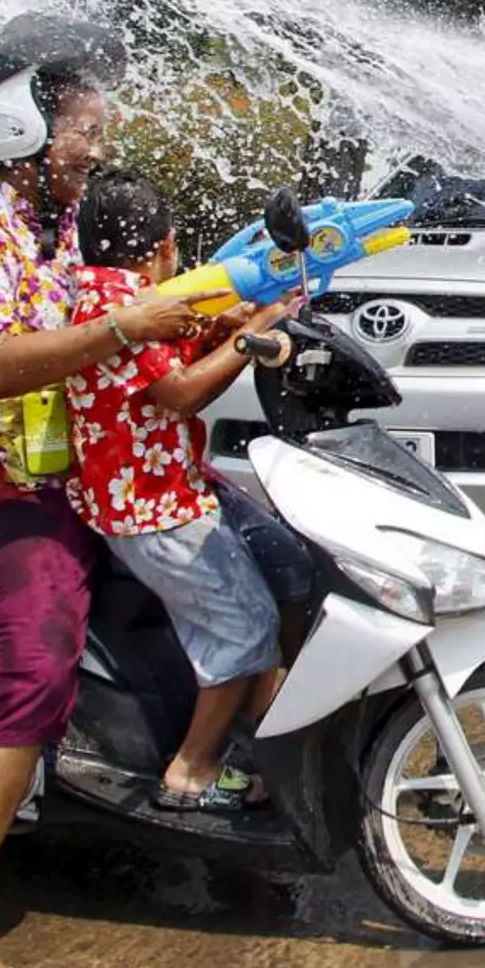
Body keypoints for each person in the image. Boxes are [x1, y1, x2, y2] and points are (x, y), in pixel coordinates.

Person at [0, 14, 207, 968]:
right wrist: (120, 324)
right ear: (17, 131)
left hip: (94, 468)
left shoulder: (70, 226)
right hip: (8, 481)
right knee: (35, 667)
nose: (96, 143)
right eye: (80, 126)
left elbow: (144, 304)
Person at [65, 168, 304, 813]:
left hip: (159, 493)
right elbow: (177, 393)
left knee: (275, 578)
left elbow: (169, 351)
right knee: (248, 624)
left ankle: (275, 743)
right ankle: (192, 772)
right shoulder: (124, 305)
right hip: (153, 510)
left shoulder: (106, 292)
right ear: (165, 244)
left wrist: (234, 321)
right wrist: (252, 341)